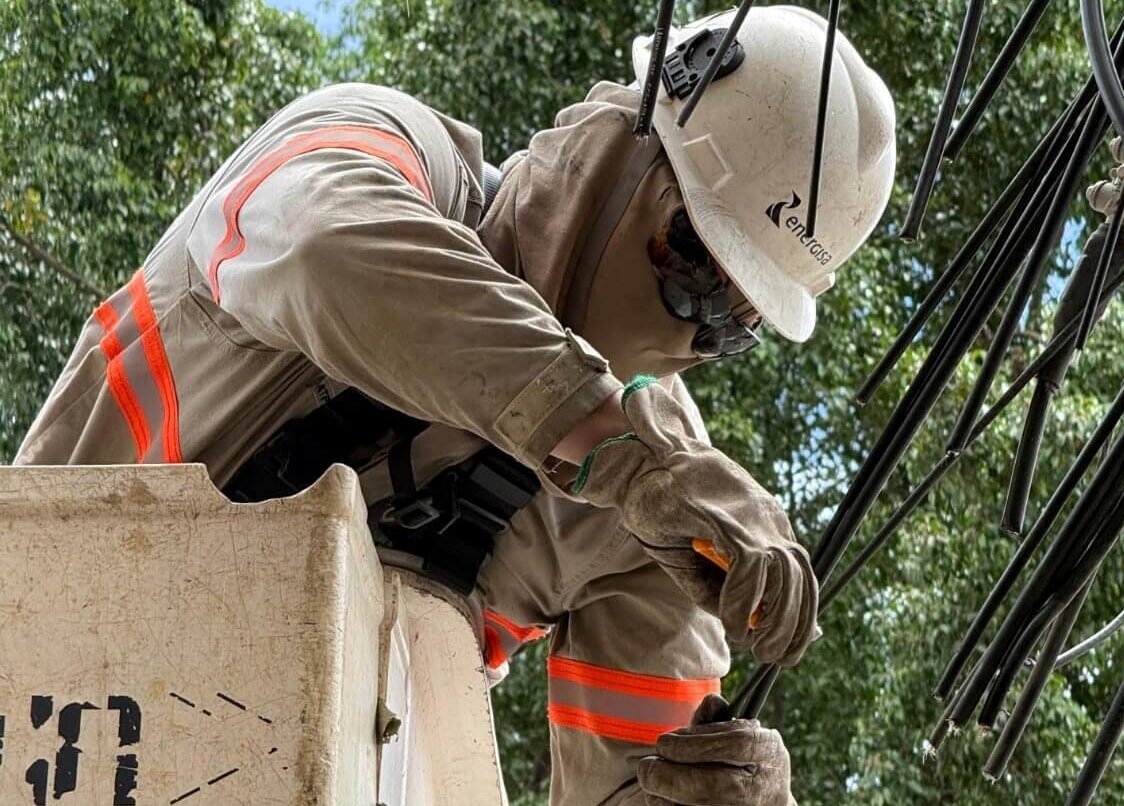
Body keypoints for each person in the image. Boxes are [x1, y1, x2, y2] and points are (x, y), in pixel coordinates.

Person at [15, 6, 894, 804]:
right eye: (694, 265)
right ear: (617, 148)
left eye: (733, 323)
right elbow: (328, 253)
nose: (691, 334)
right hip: (39, 701)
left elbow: (633, 780)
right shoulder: (381, 146)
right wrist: (617, 450)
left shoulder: (654, 515)